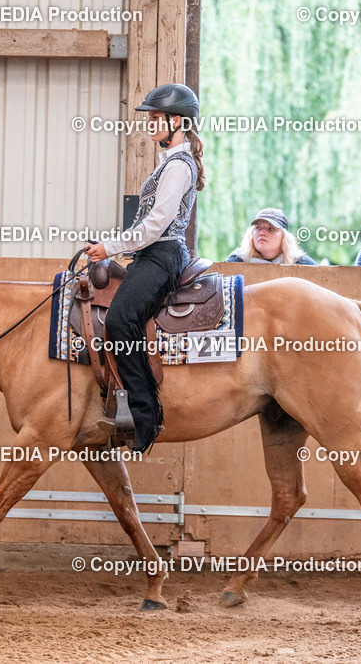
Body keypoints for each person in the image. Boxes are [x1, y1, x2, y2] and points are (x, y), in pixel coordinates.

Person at [84, 83, 206, 453]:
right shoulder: (170, 163)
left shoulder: (178, 167)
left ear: (177, 122)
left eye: (156, 118)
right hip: (152, 254)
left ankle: (144, 416)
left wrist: (110, 247)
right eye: (150, 118)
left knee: (121, 319)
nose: (150, 123)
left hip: (162, 254)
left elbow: (155, 226)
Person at [226, 208, 317, 265]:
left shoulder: (298, 261)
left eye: (271, 229)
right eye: (258, 227)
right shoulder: (239, 258)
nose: (262, 233)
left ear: (284, 237)